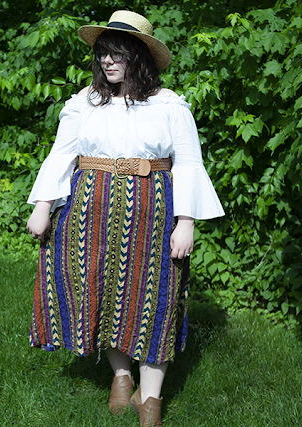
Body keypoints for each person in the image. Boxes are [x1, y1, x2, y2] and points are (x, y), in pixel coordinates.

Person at [26, 10, 224, 427]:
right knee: (97, 287)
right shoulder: (84, 102)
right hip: (88, 208)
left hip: (154, 212)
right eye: (102, 54)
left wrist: (186, 220)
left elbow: (188, 163)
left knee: (156, 298)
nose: (107, 62)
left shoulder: (168, 105)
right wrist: (43, 206)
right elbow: (62, 154)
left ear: (140, 56)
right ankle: (120, 375)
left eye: (118, 54)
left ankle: (149, 399)